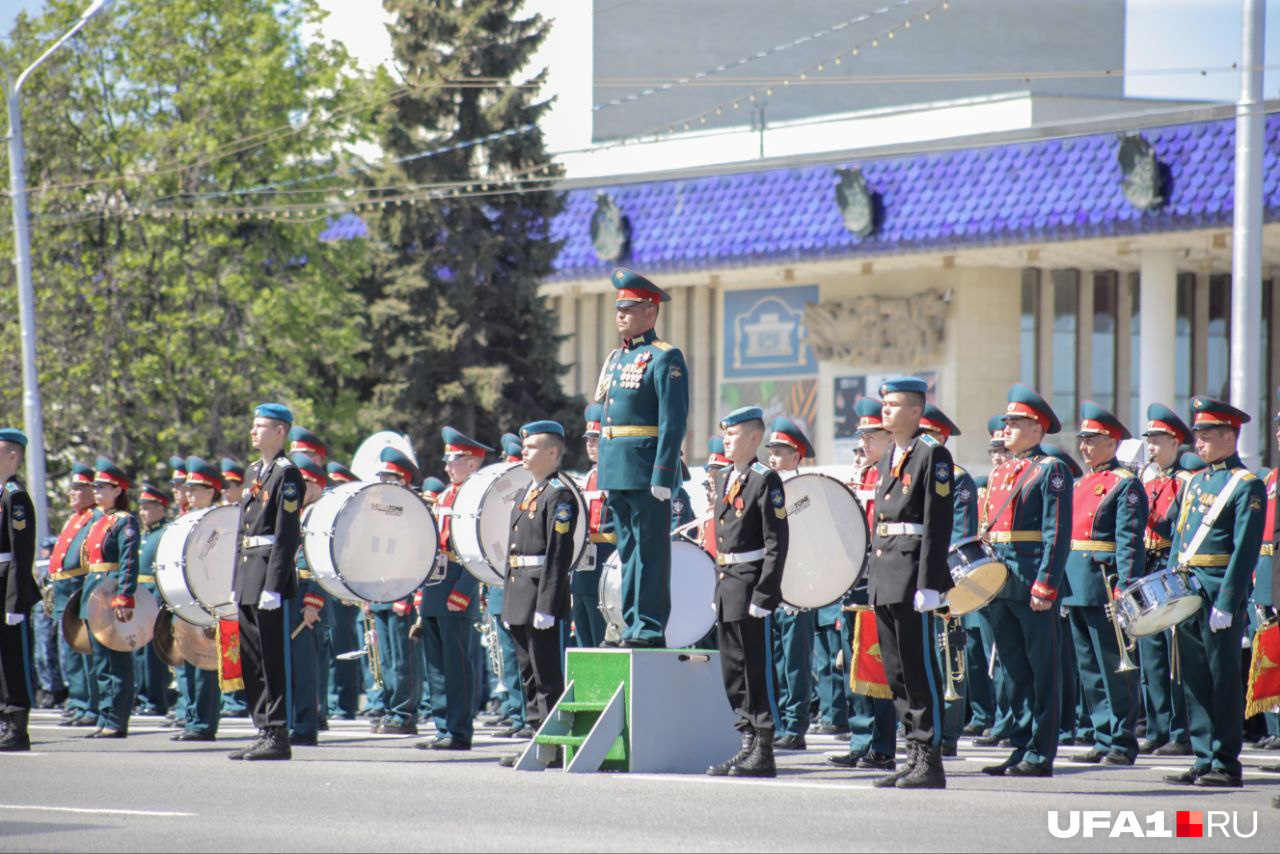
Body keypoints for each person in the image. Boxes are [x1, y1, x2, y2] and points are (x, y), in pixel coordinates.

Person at [1163, 396, 1265, 788]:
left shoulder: (1245, 485)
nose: (1198, 443)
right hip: (1188, 587)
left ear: (1229, 436)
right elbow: (1179, 540)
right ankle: (1203, 756)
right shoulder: (1195, 481)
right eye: (1198, 435)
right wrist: (1172, 582)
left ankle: (1225, 760)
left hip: (1217, 589)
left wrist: (1228, 600)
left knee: (1222, 677)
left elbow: (1244, 549)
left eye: (1206, 436)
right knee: (1194, 677)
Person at [859, 379, 954, 790]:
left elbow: (936, 521)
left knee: (919, 669)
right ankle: (911, 752)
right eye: (885, 403)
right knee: (896, 671)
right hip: (885, 572)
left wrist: (930, 581)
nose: (886, 410)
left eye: (895, 404)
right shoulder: (887, 459)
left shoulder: (933, 455)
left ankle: (930, 757)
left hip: (912, 571)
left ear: (917, 412)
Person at [980, 383, 1072, 778]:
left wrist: (1046, 583)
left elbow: (1057, 532)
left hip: (1032, 580)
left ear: (1037, 430)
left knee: (1041, 670)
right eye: (1007, 423)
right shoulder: (1002, 471)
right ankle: (1019, 746)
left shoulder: (1050, 470)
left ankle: (1040, 751)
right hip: (1002, 581)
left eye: (1016, 424)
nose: (1007, 429)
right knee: (1014, 671)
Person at [595, 268, 690, 648]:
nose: (621, 315)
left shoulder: (665, 357)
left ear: (650, 313)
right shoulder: (617, 359)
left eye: (630, 308)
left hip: (647, 469)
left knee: (650, 552)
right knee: (628, 550)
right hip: (618, 469)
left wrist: (664, 473)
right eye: (619, 308)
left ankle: (648, 627)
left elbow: (673, 420)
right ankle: (630, 623)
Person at [705, 407, 787, 778]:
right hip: (728, 583)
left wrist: (765, 594)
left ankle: (764, 747)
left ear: (754, 438)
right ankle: (745, 742)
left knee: (757, 668)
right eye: (725, 433)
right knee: (733, 670)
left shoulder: (765, 480)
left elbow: (776, 543)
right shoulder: (723, 478)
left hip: (751, 583)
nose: (727, 439)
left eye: (734, 433)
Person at [1064, 403, 1147, 767]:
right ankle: (1102, 734)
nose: (1084, 447)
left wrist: (1126, 587)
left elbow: (1129, 541)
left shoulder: (1124, 484)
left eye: (1092, 440)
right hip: (1077, 582)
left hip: (1105, 582)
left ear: (1112, 443)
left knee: (1115, 665)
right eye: (1082, 440)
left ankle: (1123, 739)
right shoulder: (1081, 483)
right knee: (1090, 667)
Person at [498, 421, 578, 765]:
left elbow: (558, 556)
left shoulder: (558, 495)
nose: (524, 452)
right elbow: (512, 553)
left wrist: (547, 604)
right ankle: (536, 737)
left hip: (540, 596)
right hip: (519, 594)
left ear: (552, 453)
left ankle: (553, 745)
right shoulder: (525, 493)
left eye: (531, 448)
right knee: (527, 672)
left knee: (547, 675)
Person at [229, 403, 304, 761]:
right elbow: (242, 529)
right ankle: (262, 728)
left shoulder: (287, 475)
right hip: (248, 574)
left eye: (261, 426)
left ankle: (278, 733)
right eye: (253, 425)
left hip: (267, 577)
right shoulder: (254, 472)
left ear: (280, 432)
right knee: (251, 659)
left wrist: (274, 585)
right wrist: (235, 579)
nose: (253, 432)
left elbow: (286, 536)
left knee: (272, 658)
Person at [828, 397, 897, 772]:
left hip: (880, 579)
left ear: (888, 437)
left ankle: (882, 745)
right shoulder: (860, 476)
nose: (865, 443)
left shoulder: (893, 474)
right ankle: (860, 740)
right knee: (851, 665)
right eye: (863, 436)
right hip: (853, 579)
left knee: (876, 666)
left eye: (872, 435)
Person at [415, 430, 482, 751]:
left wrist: (466, 589)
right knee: (437, 666)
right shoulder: (443, 497)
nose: (446, 467)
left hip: (457, 584)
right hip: (435, 587)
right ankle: (443, 727)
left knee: (457, 665)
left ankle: (458, 731)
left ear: (471, 463)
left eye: (453, 460)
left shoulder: (475, 497)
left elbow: (478, 549)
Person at [919, 403, 977, 756]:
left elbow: (963, 533)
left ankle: (949, 732)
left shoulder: (956, 477)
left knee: (949, 653)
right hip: (921, 575)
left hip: (948, 575)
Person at [1137, 404, 1194, 756]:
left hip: (1171, 566)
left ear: (1175, 442)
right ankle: (1156, 728)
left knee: (1175, 657)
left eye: (1158, 441)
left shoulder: (1186, 481)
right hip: (1148, 566)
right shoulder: (1146, 479)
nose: (1152, 447)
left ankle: (1179, 730)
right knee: (1151, 655)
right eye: (1150, 441)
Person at [80, 457, 142, 739]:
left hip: (112, 591)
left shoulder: (124, 521)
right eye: (96, 487)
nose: (97, 492)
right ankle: (105, 716)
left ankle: (117, 719)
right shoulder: (98, 521)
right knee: (101, 664)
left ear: (118, 490)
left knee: (116, 662)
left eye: (103, 487)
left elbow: (129, 562)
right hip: (94, 594)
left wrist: (124, 596)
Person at [763, 416, 815, 751]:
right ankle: (779, 721)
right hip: (772, 585)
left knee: (796, 661)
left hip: (799, 585)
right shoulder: (768, 488)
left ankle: (795, 725)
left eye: (781, 452)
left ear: (796, 457)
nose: (773, 458)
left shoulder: (807, 491)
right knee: (775, 658)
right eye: (772, 451)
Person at [366, 446, 423, 737]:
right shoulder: (381, 514)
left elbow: (417, 556)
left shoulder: (414, 512)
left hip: (403, 592)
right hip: (381, 591)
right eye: (383, 478)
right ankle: (391, 708)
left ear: (403, 481)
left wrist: (407, 595)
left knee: (403, 660)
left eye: (390, 479)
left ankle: (404, 713)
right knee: (386, 658)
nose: (384, 484)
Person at [172, 460, 224, 742]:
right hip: (186, 596)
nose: (188, 494)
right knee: (187, 659)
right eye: (188, 489)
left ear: (211, 490)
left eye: (196, 489)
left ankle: (204, 723)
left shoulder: (218, 521)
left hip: (208, 597)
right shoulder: (186, 519)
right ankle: (192, 717)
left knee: (204, 662)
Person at [47, 462, 98, 728]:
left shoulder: (94, 518)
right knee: (72, 652)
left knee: (86, 650)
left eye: (79, 487)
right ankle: (78, 700)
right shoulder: (74, 518)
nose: (73, 492)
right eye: (72, 487)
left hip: (80, 588)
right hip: (65, 589)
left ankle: (91, 702)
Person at [0, 428, 39, 751]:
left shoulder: (15, 496)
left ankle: (17, 727)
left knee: (14, 658)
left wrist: (15, 601)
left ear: (12, 456)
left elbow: (20, 554)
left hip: (8, 589)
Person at [288, 453, 330, 746]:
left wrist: (314, 601)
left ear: (316, 485)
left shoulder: (320, 513)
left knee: (305, 668)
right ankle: (296, 721)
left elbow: (322, 560)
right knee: (292, 665)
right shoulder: (299, 512)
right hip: (293, 591)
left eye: (304, 482)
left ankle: (306, 725)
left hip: (309, 596)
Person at [133, 482, 171, 717]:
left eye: (148, 507)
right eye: (142, 507)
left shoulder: (164, 534)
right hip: (139, 595)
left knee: (152, 654)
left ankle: (156, 699)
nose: (143, 512)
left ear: (161, 508)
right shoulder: (145, 535)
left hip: (154, 596)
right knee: (138, 650)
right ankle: (143, 695)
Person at [575, 404, 611, 649]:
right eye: (588, 439)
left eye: (596, 439)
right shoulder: (588, 477)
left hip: (606, 557)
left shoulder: (615, 474)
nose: (590, 444)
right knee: (582, 633)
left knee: (601, 633)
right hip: (583, 562)